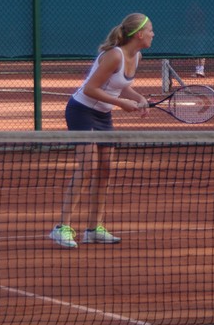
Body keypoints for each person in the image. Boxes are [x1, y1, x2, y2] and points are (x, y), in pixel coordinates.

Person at [49, 13, 154, 249]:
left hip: (103, 115)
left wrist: (139, 98)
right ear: (139, 34)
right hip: (81, 111)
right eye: (150, 30)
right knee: (88, 167)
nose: (153, 34)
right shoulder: (114, 55)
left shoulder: (136, 56)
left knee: (105, 170)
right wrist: (122, 104)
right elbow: (90, 89)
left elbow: (121, 86)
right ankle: (61, 227)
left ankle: (94, 229)